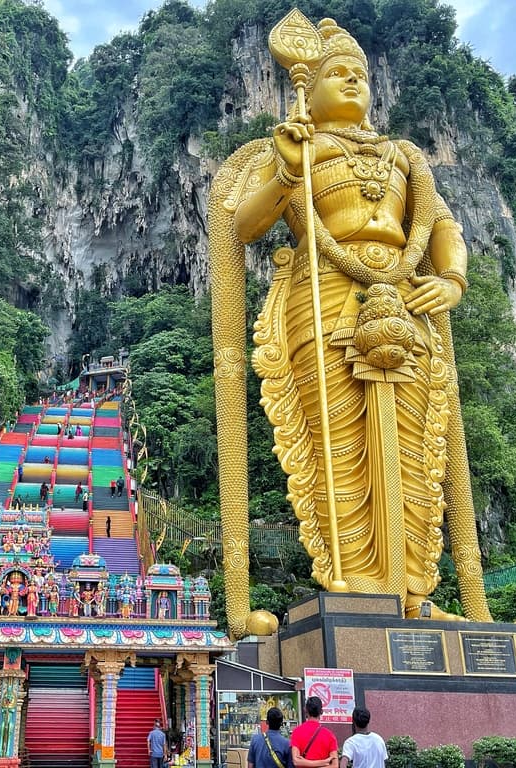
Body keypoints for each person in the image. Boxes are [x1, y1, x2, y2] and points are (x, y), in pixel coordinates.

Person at [209, 17, 491, 633]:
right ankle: (355, 581)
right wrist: (286, 172)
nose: (354, 82)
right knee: (337, 446)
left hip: (406, 300)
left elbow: (443, 225)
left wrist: (453, 279)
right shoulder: (299, 148)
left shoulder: (402, 157)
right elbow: (243, 226)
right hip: (324, 301)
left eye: (361, 74)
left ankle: (414, 592)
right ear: (307, 89)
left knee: (419, 449)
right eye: (339, 72)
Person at [290, 697, 337, 768]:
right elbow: (335, 765)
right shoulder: (329, 735)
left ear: (305, 710)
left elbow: (296, 761)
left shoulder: (297, 732)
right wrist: (323, 762)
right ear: (321, 711)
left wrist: (305, 762)